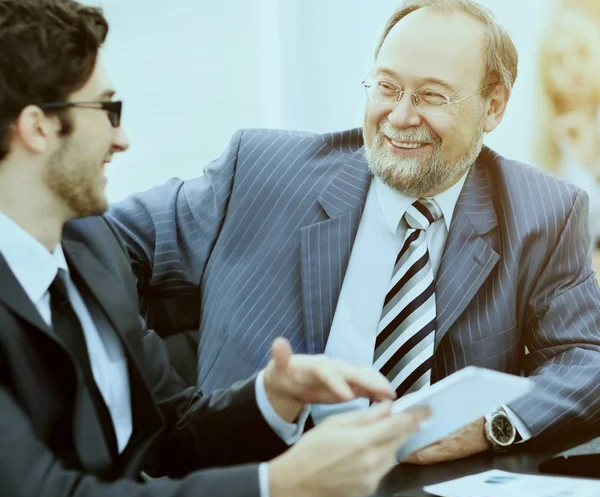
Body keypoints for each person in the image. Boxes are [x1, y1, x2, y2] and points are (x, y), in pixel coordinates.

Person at [0, 1, 431, 497]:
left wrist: (272, 398)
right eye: (107, 110)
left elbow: (170, 430)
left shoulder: (91, 250)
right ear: (38, 127)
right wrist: (282, 486)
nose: (122, 138)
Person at [109, 0, 600, 466]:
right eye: (387, 87)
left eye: (431, 95)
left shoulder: (544, 212)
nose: (402, 116)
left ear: (493, 108)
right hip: (247, 486)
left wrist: (492, 426)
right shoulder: (258, 170)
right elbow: (101, 241)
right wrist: (157, 390)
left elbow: (588, 360)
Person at [534, 9, 600, 247]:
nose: (573, 67)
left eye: (582, 53)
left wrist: (591, 164)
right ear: (546, 75)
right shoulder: (542, 143)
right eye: (559, 59)